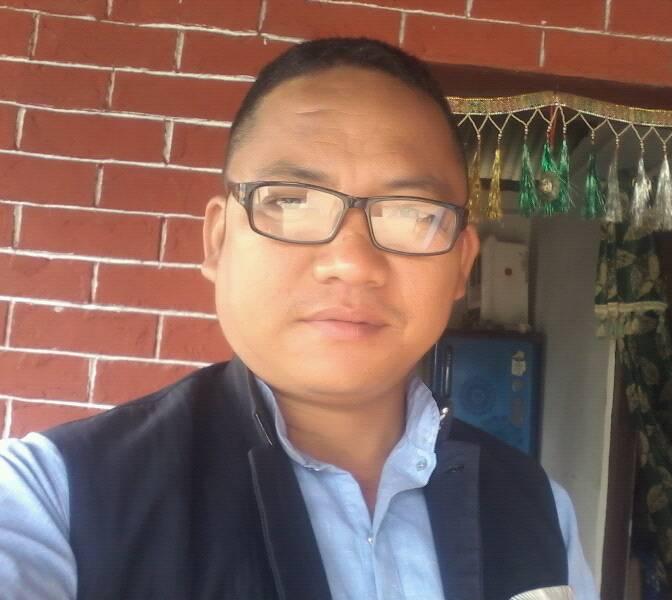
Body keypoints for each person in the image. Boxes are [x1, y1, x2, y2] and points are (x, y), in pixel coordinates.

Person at [0, 38, 598, 600]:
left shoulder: (539, 510)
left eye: (412, 213)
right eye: (290, 202)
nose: (351, 262)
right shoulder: (55, 500)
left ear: (461, 263)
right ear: (217, 241)